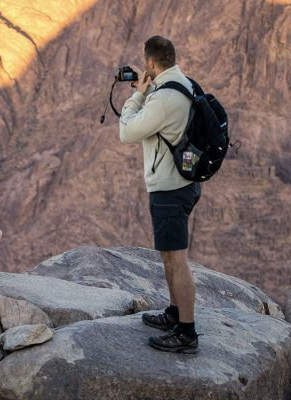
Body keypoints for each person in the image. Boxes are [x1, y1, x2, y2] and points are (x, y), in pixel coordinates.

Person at [119, 36, 201, 353]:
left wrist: (137, 96)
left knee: (177, 260)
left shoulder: (163, 98)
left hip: (170, 187)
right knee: (168, 255)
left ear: (151, 63)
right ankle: (174, 314)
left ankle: (187, 332)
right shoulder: (185, 83)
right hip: (184, 181)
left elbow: (127, 132)